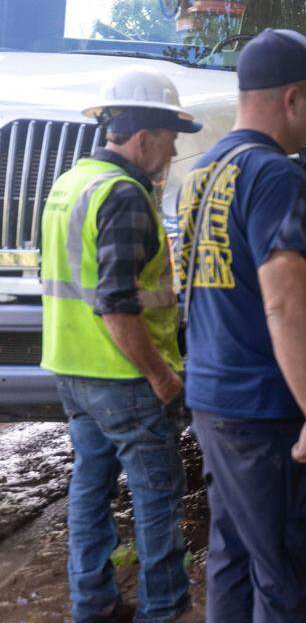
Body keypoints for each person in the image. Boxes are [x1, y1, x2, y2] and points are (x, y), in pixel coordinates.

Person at [176, 29, 306, 621]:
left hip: (217, 400)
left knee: (236, 559)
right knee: (292, 579)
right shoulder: (274, 177)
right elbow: (283, 302)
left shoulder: (203, 172)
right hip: (269, 413)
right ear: (292, 98)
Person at [40, 66, 200, 622]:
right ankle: (163, 609)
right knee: (157, 495)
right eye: (172, 140)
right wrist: (161, 374)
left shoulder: (71, 181)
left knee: (89, 488)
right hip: (125, 376)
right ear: (144, 138)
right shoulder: (125, 195)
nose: (173, 153)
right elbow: (115, 301)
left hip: (71, 367)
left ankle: (94, 604)